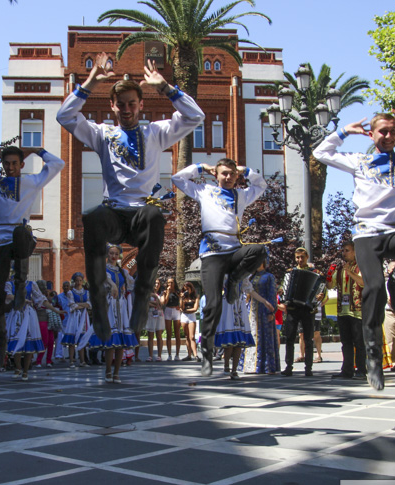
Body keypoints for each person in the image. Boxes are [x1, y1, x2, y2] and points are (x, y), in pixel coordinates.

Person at [57, 52, 204, 342]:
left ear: (141, 105)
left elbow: (194, 116)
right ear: (112, 106)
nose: (126, 109)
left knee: (154, 216)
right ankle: (98, 302)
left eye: (131, 104)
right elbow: (65, 116)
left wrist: (165, 87)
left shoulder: (155, 132)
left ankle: (142, 296)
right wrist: (89, 82)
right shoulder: (101, 134)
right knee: (94, 217)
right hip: (113, 213)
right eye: (121, 104)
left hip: (141, 214)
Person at [313, 105, 395, 390]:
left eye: (393, 131)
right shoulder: (359, 160)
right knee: (372, 289)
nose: (388, 135)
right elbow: (321, 153)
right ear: (372, 134)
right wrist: (341, 132)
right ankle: (374, 358)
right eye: (383, 131)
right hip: (367, 235)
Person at [0, 145, 64, 369]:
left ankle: (20, 284)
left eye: (14, 163)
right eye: (6, 163)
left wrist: (38, 150)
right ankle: (2, 341)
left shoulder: (31, 182)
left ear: (21, 164)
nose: (10, 167)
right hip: (0, 240)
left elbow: (58, 164)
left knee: (20, 232)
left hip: (22, 238)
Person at [171, 159, 267, 376]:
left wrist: (247, 170)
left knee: (260, 250)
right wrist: (201, 167)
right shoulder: (205, 190)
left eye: (232, 174)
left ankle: (234, 279)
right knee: (213, 304)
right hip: (212, 253)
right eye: (224, 174)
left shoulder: (241, 195)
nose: (228, 177)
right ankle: (206, 354)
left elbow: (261, 186)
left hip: (233, 250)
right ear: (216, 175)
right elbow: (177, 178)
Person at [87, 245, 139, 383]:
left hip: (120, 306)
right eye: (111, 253)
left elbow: (132, 284)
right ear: (107, 254)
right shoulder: (103, 269)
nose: (114, 256)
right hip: (108, 305)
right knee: (111, 341)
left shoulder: (122, 272)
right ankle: (108, 371)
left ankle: (116, 373)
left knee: (120, 341)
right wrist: (112, 285)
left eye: (116, 253)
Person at [4, 278, 65, 381]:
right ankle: (18, 367)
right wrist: (22, 300)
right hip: (16, 314)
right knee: (16, 343)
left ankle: (26, 371)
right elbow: (8, 296)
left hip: (29, 314)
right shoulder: (10, 283)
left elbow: (41, 299)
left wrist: (55, 310)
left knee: (29, 344)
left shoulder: (31, 284)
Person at [281, 248, 325, 377]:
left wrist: (320, 295)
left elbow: (322, 289)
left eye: (302, 257)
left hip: (307, 309)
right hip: (292, 309)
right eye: (297, 257)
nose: (300, 260)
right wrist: (281, 291)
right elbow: (284, 286)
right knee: (289, 338)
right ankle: (288, 366)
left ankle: (308, 367)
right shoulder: (290, 272)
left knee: (308, 339)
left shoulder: (315, 273)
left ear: (307, 257)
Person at [328, 241, 366, 380]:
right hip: (342, 311)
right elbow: (330, 285)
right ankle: (347, 370)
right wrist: (328, 274)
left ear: (355, 252)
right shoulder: (340, 269)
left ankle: (361, 369)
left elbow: (363, 282)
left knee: (359, 342)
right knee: (346, 343)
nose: (344, 253)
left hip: (357, 310)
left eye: (347, 250)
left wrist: (350, 273)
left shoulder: (360, 266)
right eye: (343, 250)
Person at [239, 256, 279, 375]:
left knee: (265, 338)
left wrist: (271, 311)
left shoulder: (269, 277)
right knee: (252, 335)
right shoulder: (251, 277)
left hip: (263, 310)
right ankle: (251, 365)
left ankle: (266, 366)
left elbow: (272, 295)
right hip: (252, 310)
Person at [216, 276, 255, 380]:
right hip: (228, 305)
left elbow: (250, 290)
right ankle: (226, 366)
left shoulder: (243, 274)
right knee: (230, 340)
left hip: (239, 305)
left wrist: (264, 301)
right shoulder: (224, 272)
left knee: (239, 341)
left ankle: (234, 370)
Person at [61, 272, 93, 367]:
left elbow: (89, 304)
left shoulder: (86, 292)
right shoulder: (71, 292)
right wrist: (82, 305)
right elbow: (72, 305)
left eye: (80, 280)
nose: (79, 282)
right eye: (77, 281)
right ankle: (71, 360)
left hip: (83, 316)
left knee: (82, 338)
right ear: (74, 281)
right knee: (72, 340)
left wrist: (79, 305)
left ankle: (82, 361)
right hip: (74, 317)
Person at [161, 277, 182, 361]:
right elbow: (164, 303)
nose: (170, 284)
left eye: (172, 282)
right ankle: (169, 355)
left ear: (174, 283)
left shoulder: (178, 292)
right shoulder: (165, 291)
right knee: (169, 334)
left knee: (177, 334)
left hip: (176, 311)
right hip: (168, 310)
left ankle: (177, 355)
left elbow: (181, 300)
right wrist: (168, 293)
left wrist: (180, 306)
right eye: (169, 282)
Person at [145, 278, 165, 362]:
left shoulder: (162, 293)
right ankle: (150, 355)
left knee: (159, 335)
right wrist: (154, 302)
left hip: (159, 315)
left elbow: (161, 303)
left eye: (158, 283)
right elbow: (145, 303)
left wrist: (154, 298)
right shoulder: (147, 293)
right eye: (155, 283)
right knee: (150, 335)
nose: (156, 285)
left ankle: (159, 356)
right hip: (150, 314)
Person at [180, 282, 200, 362]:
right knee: (186, 336)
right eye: (185, 289)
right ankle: (189, 355)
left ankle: (195, 354)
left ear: (191, 288)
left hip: (192, 316)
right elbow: (181, 308)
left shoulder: (196, 297)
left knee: (192, 337)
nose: (187, 290)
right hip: (184, 316)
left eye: (188, 288)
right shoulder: (183, 297)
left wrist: (186, 310)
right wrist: (181, 298)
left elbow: (195, 308)